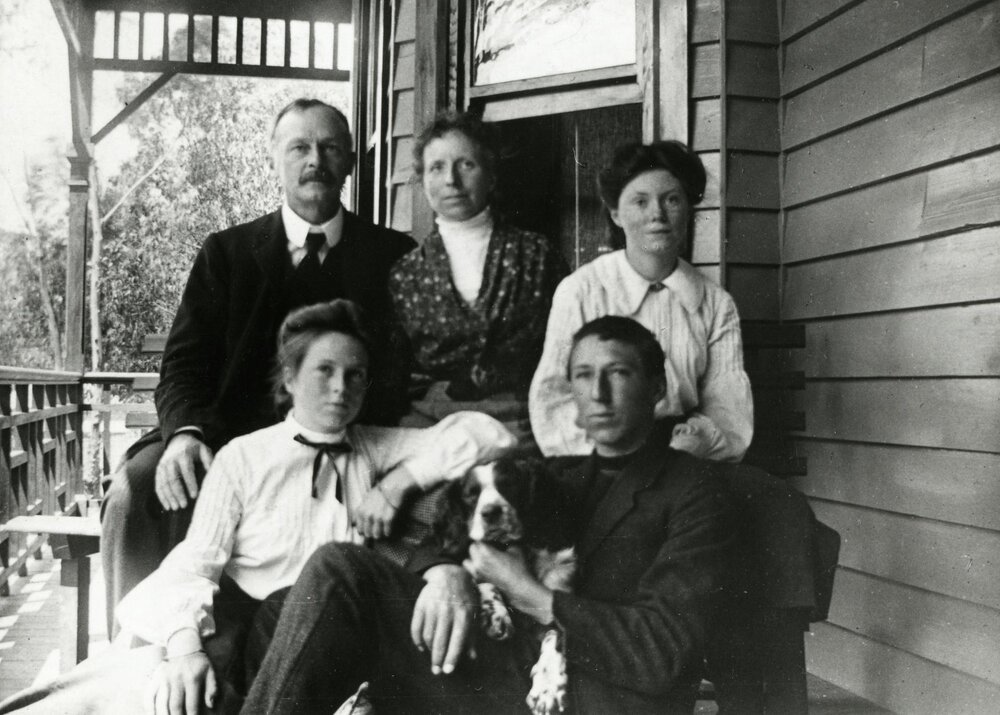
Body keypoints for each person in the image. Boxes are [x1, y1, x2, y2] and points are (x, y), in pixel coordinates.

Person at [0, 300, 516, 715]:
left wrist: (403, 479)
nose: (341, 387)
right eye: (325, 370)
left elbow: (487, 434)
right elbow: (194, 561)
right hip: (243, 625)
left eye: (356, 375)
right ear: (289, 379)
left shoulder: (375, 447)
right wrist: (185, 649)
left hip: (327, 630)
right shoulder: (246, 456)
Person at [241, 315, 736, 715]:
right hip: (498, 658)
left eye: (618, 373)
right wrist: (446, 572)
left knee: (338, 571)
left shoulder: (695, 490)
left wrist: (532, 595)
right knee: (283, 605)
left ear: (655, 387)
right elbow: (449, 531)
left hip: (585, 693)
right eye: (584, 376)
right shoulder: (556, 477)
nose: (598, 393)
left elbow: (665, 649)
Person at [101, 98, 416, 632]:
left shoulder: (391, 255)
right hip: (226, 440)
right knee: (137, 490)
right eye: (299, 147)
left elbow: (400, 372)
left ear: (349, 162)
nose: (314, 159)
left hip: (341, 440)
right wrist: (184, 434)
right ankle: (139, 655)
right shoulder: (227, 253)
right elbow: (183, 363)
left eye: (329, 147)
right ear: (275, 157)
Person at [529, 140, 753, 461]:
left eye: (672, 200)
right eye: (640, 201)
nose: (657, 214)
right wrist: (611, 453)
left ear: (689, 209)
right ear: (616, 214)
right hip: (599, 457)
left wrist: (697, 443)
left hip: (683, 457)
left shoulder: (716, 304)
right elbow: (552, 401)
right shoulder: (581, 290)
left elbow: (728, 406)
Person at [389, 110, 565, 410]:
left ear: (491, 174)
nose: (451, 180)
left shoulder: (537, 255)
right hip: (440, 430)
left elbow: (568, 346)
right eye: (437, 168)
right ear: (422, 180)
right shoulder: (405, 275)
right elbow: (396, 373)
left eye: (466, 165)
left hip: (530, 422)